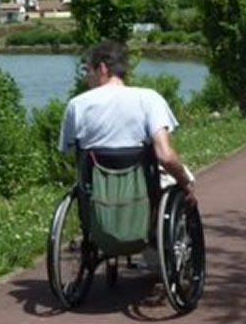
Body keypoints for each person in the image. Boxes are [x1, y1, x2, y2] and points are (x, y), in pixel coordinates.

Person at [58, 40, 197, 208]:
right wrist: (185, 182)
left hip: (96, 193)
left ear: (102, 68)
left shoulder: (76, 105)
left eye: (87, 70)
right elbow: (165, 156)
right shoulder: (149, 98)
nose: (86, 78)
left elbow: (69, 151)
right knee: (182, 178)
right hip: (142, 190)